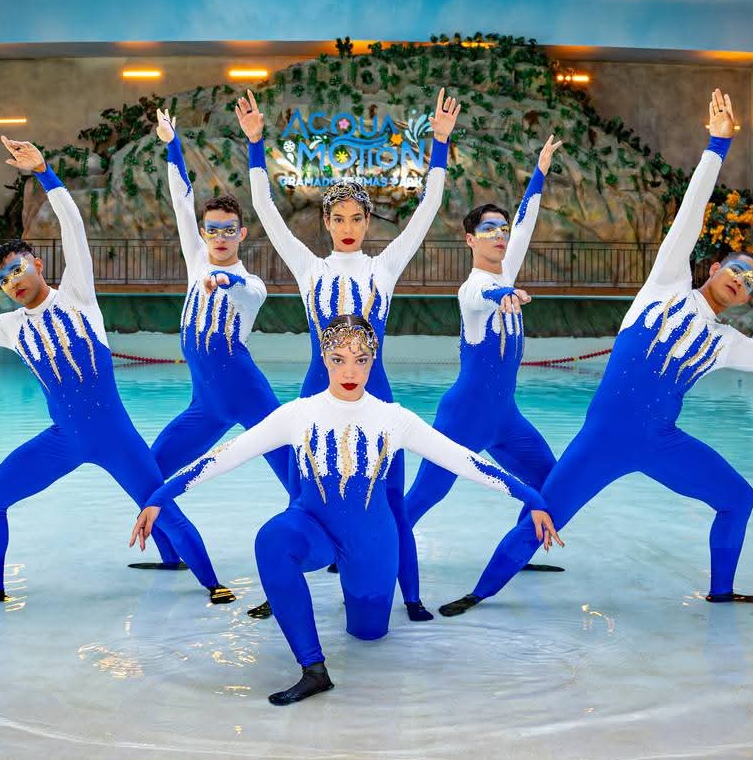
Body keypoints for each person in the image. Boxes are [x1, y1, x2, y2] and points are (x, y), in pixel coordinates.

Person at [439, 90, 753, 617]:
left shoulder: (726, 343)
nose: (742, 280)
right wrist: (717, 146)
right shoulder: (665, 285)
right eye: (737, 269)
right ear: (715, 269)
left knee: (738, 499)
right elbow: (689, 214)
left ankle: (721, 591)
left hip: (661, 442)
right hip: (602, 439)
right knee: (543, 513)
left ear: (747, 298)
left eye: (751, 282)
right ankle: (478, 594)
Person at [0, 136, 235, 606]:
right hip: (63, 440)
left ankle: (213, 585)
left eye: (17, 270)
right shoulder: (10, 327)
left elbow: (73, 225)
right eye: (3, 280)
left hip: (116, 438)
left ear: (36, 263)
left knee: (159, 504)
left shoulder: (77, 295)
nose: (13, 282)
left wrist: (44, 172)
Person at [129, 315, 563, 705]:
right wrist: (159, 497)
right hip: (312, 528)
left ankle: (359, 610)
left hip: (372, 543)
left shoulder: (394, 418)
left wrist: (533, 499)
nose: (350, 372)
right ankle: (313, 669)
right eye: (338, 360)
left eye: (360, 360)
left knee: (368, 636)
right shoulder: (297, 414)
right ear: (324, 358)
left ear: (373, 360)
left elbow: (464, 460)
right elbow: (226, 454)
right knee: (273, 540)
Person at [237, 86, 460, 620]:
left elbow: (428, 209)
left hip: (376, 393)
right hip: (316, 392)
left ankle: (410, 595)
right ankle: (281, 584)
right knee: (301, 494)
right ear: (326, 222)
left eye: (357, 219)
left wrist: (439, 145)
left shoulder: (384, 269)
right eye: (338, 219)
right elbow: (265, 210)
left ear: (368, 222)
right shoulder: (309, 269)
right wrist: (255, 144)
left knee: (390, 498)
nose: (347, 228)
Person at [395, 135, 565, 618]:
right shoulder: (472, 288)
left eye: (501, 228)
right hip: (463, 418)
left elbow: (527, 221)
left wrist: (540, 170)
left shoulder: (508, 269)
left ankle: (517, 550)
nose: (499, 235)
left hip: (505, 419)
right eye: (488, 229)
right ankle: (367, 553)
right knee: (424, 497)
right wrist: (501, 297)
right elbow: (477, 297)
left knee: (550, 483)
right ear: (470, 240)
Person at [130, 111, 295, 573]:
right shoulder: (197, 260)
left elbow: (248, 293)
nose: (220, 237)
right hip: (206, 405)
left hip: (249, 396)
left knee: (295, 479)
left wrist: (225, 282)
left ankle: (333, 547)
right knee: (151, 472)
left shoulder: (250, 283)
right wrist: (172, 144)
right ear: (204, 233)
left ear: (242, 233)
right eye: (212, 230)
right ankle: (172, 555)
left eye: (228, 230)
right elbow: (181, 200)